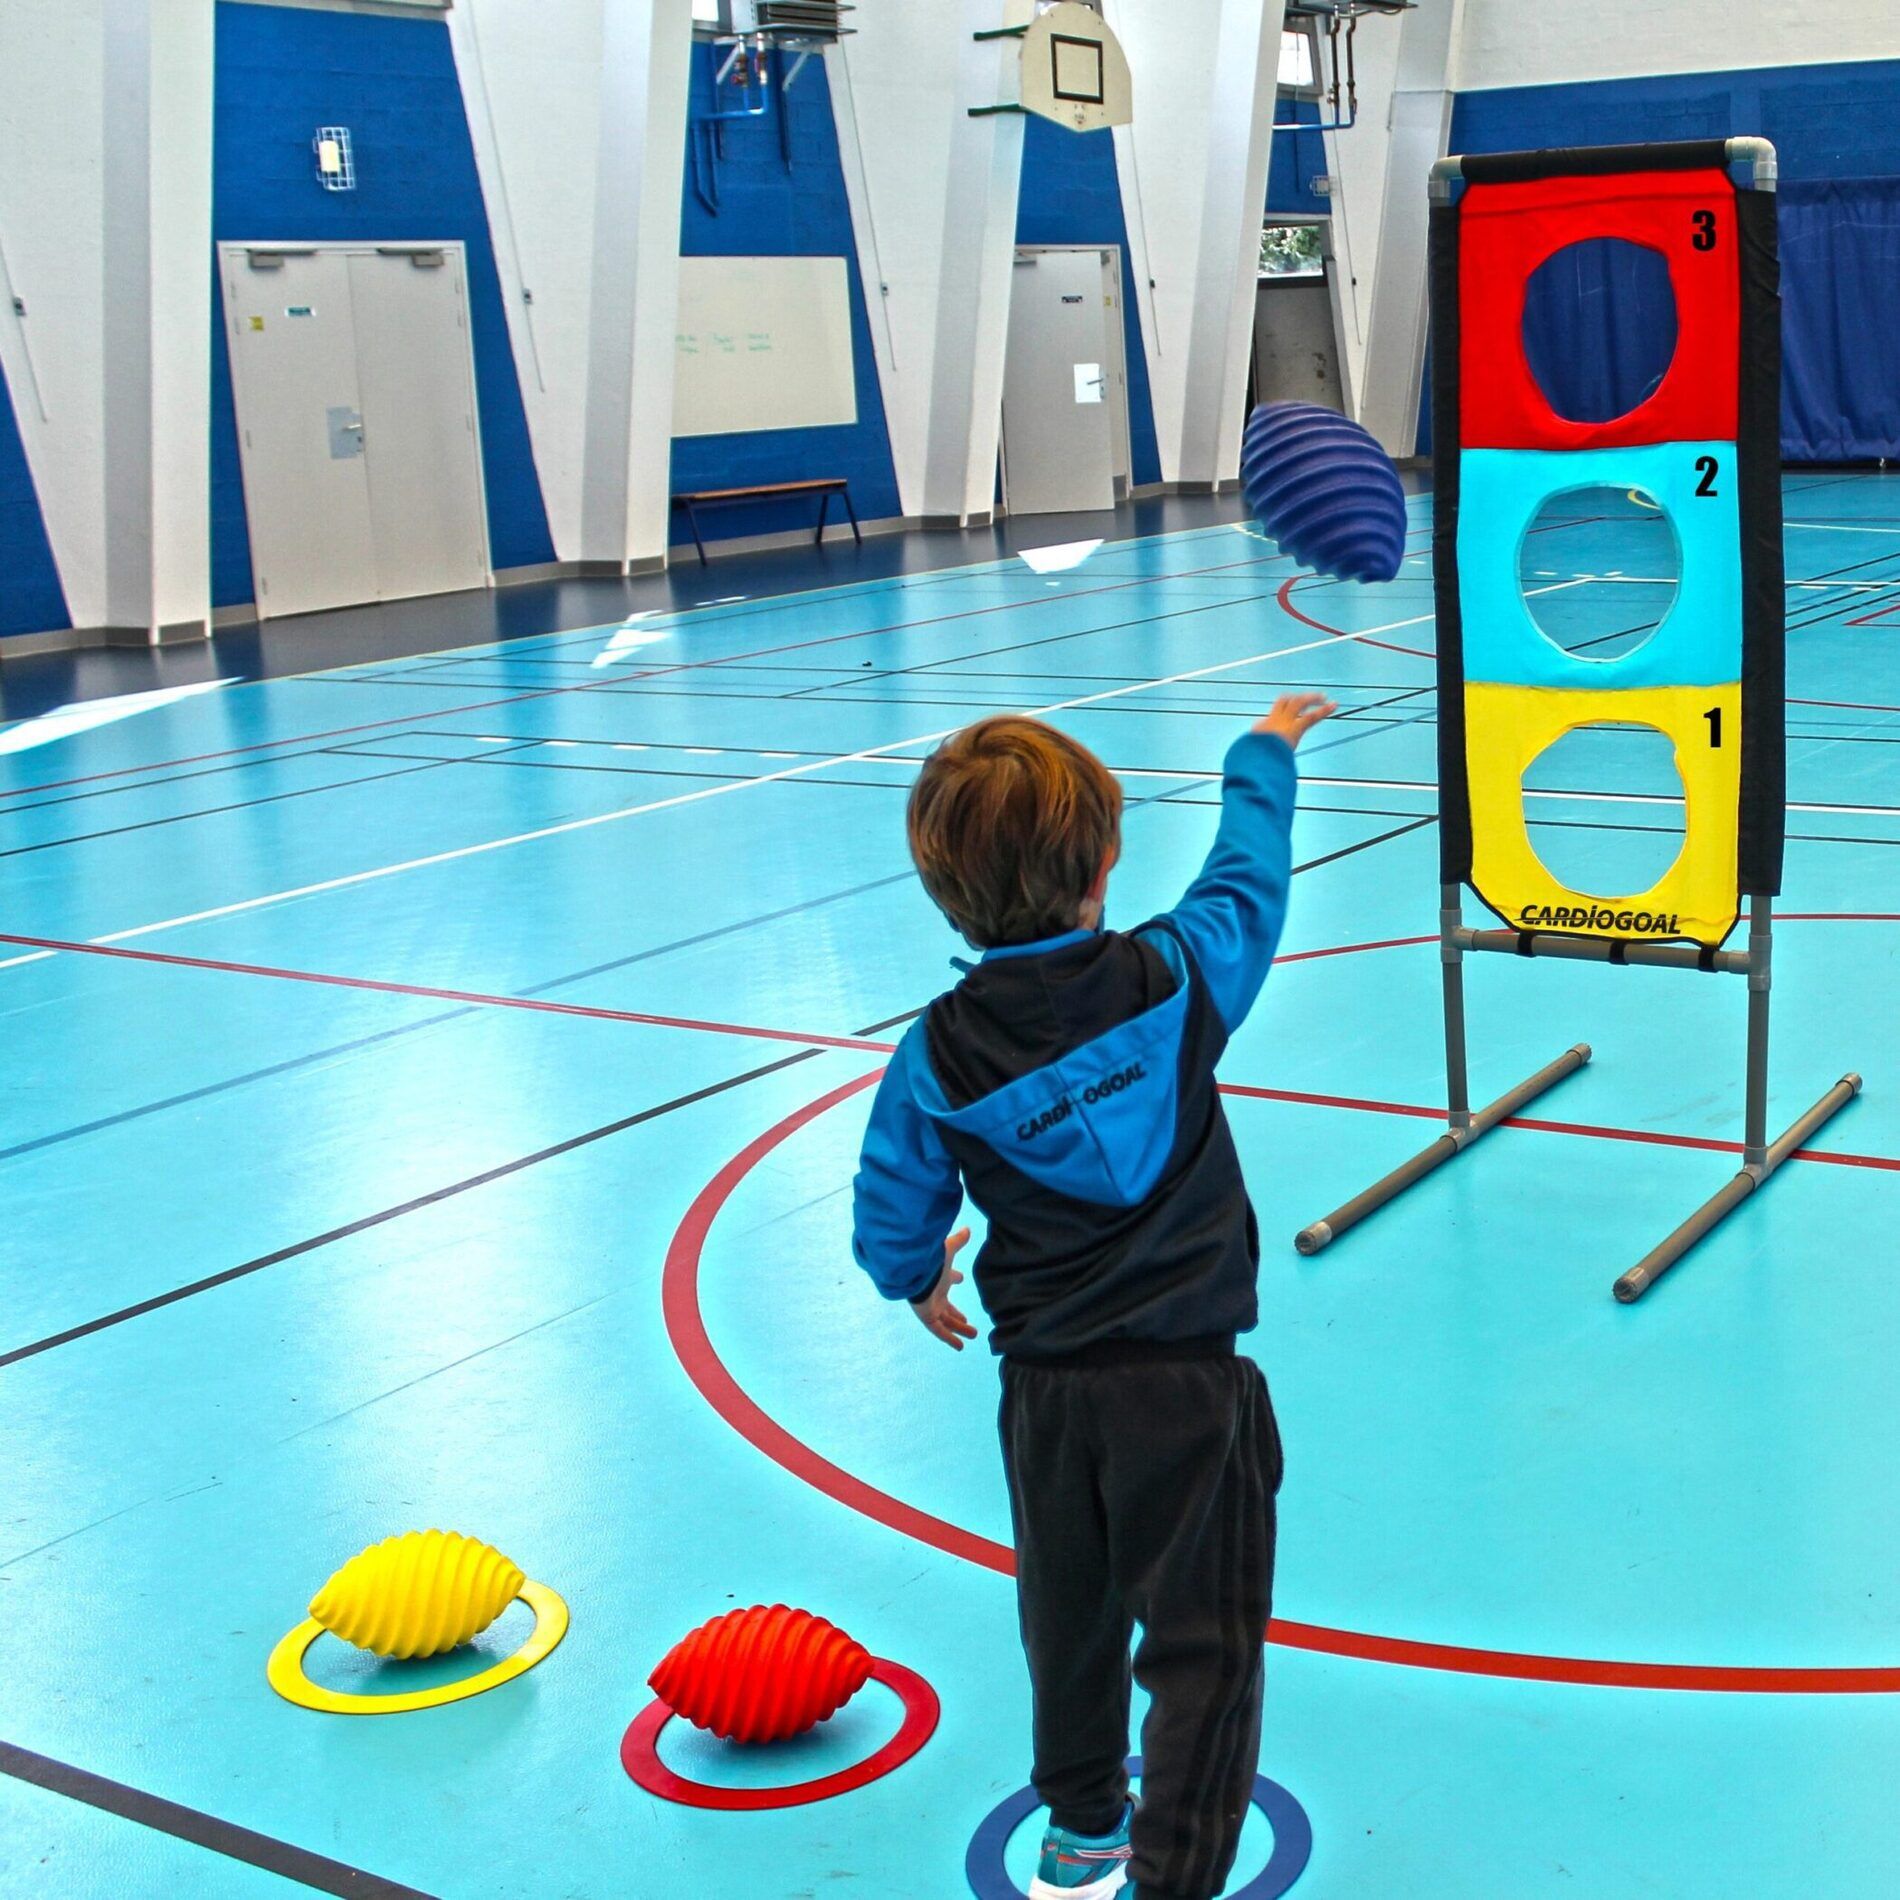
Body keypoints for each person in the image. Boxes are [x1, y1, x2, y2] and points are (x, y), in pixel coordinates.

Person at [851, 694, 1334, 1900]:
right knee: (1204, 1651)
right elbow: (1245, 881)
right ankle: (1172, 1878)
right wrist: (1263, 753)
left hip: (1046, 1394)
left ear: (943, 890)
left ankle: (1080, 1829)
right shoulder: (1176, 978)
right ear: (1105, 858)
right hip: (1189, 1392)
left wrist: (913, 1274)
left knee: (1067, 1620)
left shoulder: (936, 1051)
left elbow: (890, 1199)